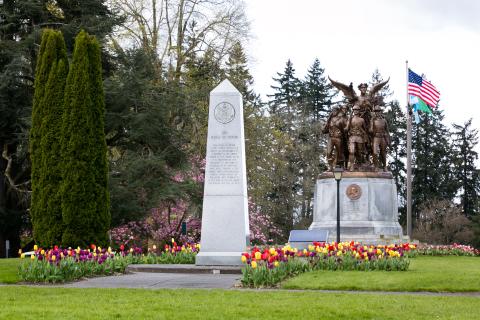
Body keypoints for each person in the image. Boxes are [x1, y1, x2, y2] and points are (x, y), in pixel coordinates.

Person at [345, 105, 368, 171]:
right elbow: (347, 128)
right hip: (352, 137)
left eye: (357, 110)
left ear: (359, 111)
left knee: (359, 152)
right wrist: (347, 124)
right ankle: (352, 165)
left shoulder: (362, 120)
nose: (355, 111)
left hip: (359, 137)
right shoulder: (350, 119)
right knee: (351, 151)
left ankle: (359, 164)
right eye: (354, 110)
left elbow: (365, 129)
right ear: (353, 111)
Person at [369, 105, 391, 171]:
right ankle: (376, 166)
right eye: (376, 111)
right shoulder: (372, 120)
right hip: (376, 137)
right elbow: (370, 131)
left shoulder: (384, 121)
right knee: (375, 152)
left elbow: (387, 131)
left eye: (378, 111)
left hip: (383, 137)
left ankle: (385, 166)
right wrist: (372, 122)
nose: (377, 113)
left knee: (383, 152)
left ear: (380, 112)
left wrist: (388, 140)